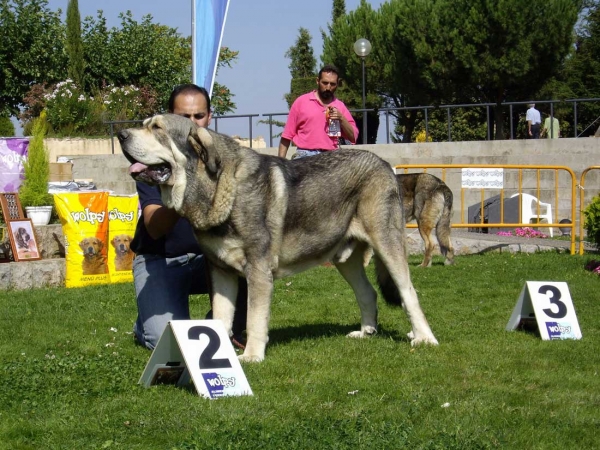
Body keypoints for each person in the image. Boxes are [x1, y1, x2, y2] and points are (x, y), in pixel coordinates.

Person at [131, 83, 247, 350]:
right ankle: (145, 324)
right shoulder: (151, 159)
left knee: (237, 333)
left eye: (199, 116)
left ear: (209, 116)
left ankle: (220, 326)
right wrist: (183, 188)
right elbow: (154, 227)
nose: (192, 123)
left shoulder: (222, 159)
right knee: (167, 343)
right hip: (162, 259)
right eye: (184, 117)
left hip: (210, 258)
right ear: (169, 116)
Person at [278, 64, 359, 159]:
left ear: (337, 84)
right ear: (317, 81)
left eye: (332, 84)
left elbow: (353, 137)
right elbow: (287, 136)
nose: (328, 87)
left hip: (330, 156)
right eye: (325, 83)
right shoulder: (301, 102)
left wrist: (341, 118)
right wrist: (280, 164)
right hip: (304, 155)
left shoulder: (340, 106)